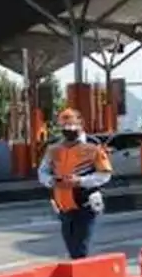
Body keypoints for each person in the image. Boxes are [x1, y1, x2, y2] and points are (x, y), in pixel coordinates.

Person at [37, 108, 112, 259]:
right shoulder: (54, 148)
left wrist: (81, 181)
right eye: (64, 127)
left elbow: (104, 175)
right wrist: (51, 181)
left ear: (80, 125)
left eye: (71, 126)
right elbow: (42, 172)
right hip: (63, 204)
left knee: (80, 249)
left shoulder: (93, 145)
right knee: (72, 248)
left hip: (86, 203)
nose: (68, 130)